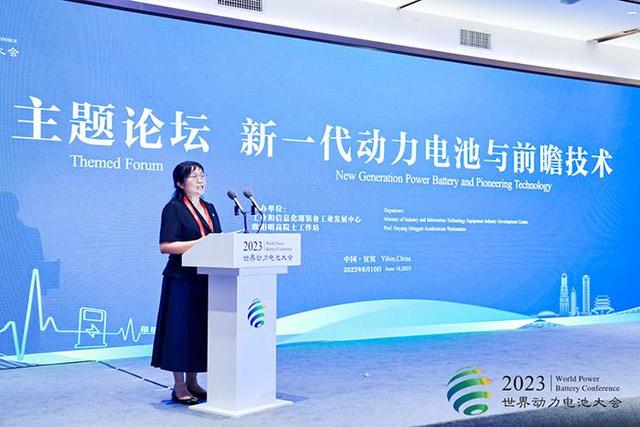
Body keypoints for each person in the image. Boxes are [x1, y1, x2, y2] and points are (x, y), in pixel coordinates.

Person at [151, 161, 222, 405]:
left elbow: (217, 241)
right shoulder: (174, 208)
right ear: (180, 183)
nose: (200, 180)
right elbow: (166, 246)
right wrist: (201, 243)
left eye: (202, 175)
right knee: (180, 332)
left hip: (207, 278)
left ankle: (193, 381)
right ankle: (179, 386)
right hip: (181, 280)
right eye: (193, 177)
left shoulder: (210, 208)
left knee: (198, 331)